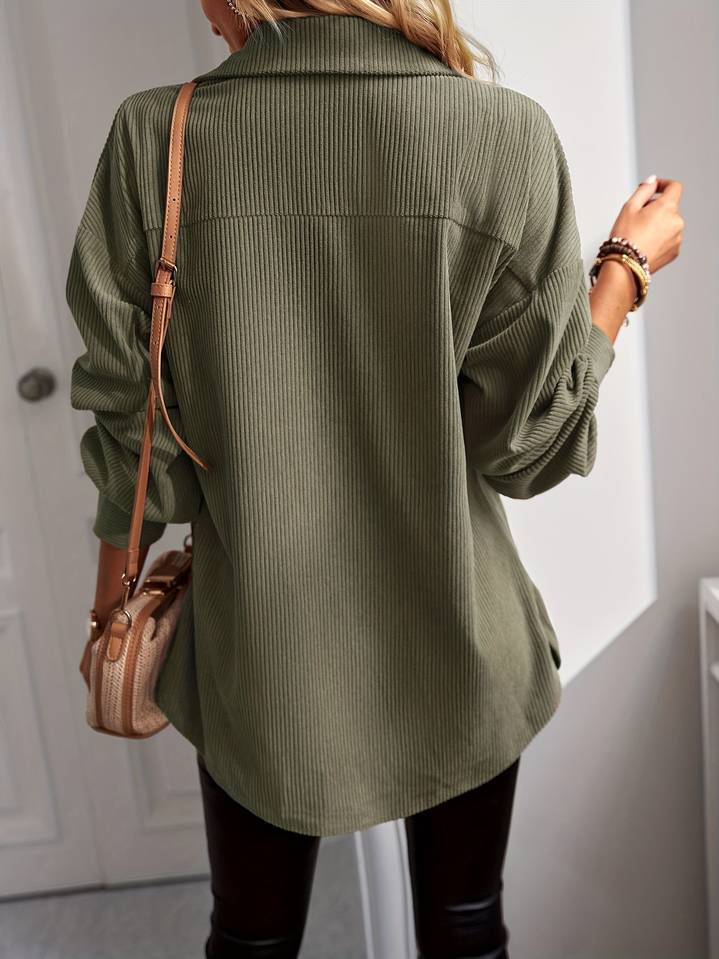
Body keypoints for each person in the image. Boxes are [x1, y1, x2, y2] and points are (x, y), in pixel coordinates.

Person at [66, 1, 684, 956]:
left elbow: (136, 439)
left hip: (260, 661)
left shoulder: (158, 138)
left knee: (250, 940)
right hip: (461, 643)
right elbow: (526, 447)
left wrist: (111, 614)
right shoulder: (500, 134)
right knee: (466, 932)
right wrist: (624, 270)